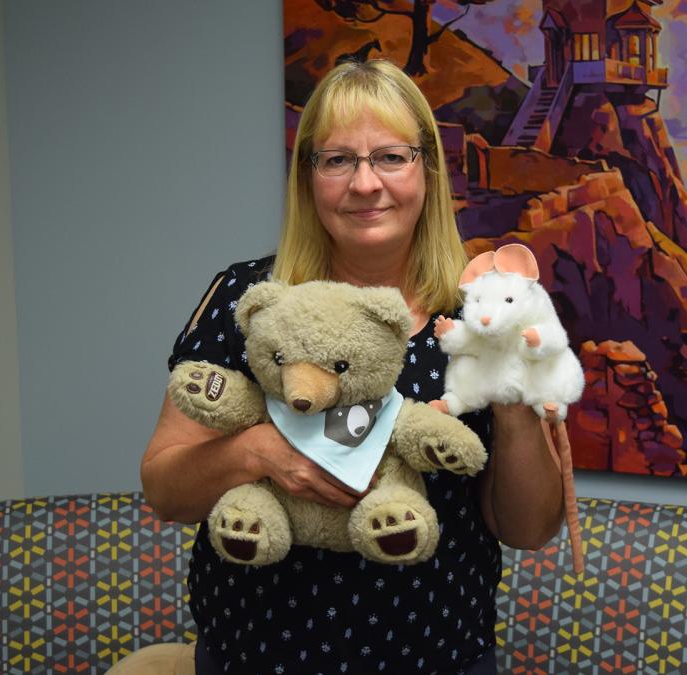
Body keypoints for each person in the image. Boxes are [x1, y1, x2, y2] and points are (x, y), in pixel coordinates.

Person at [117, 59, 563, 674]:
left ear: (428, 170)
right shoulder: (248, 298)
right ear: (307, 179)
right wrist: (258, 453)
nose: (364, 184)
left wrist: (513, 399)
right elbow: (165, 490)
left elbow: (530, 528)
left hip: (438, 659)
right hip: (253, 657)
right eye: (337, 160)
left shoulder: (486, 309)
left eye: (390, 157)